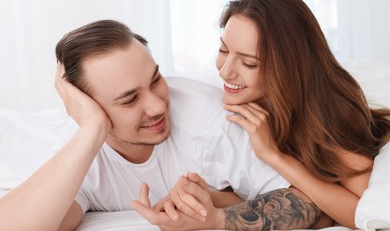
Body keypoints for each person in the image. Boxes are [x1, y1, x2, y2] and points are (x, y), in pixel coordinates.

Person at [0, 19, 328, 231]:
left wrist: (216, 219)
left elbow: (315, 203)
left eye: (155, 79)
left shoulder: (214, 121)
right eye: (129, 100)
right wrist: (90, 131)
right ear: (87, 108)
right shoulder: (81, 148)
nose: (158, 106)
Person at [134, 0, 390, 229]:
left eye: (249, 63)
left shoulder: (328, 114)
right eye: (223, 49)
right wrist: (204, 199)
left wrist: (274, 156)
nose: (225, 71)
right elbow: (256, 195)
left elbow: (363, 213)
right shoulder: (238, 109)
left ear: (287, 68)